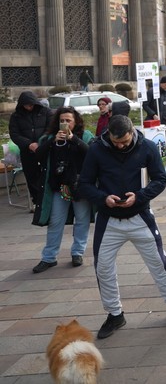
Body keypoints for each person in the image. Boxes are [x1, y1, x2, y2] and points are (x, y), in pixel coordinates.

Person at [77, 115, 166, 339]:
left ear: (132, 133)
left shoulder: (147, 146)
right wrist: (102, 198)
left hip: (140, 215)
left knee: (158, 261)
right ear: (109, 135)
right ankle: (115, 314)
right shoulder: (96, 150)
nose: (121, 146)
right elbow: (84, 183)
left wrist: (140, 196)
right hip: (108, 219)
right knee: (103, 267)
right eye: (116, 143)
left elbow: (160, 179)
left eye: (125, 142)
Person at [32, 108, 94, 273]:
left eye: (69, 121)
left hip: (80, 186)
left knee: (82, 220)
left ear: (76, 122)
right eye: (62, 120)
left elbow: (91, 153)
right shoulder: (50, 138)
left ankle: (77, 252)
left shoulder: (84, 135)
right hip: (59, 187)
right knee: (55, 221)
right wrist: (52, 142)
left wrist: (74, 140)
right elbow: (38, 155)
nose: (65, 124)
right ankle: (49, 257)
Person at [9, 91, 52, 208]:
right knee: (32, 177)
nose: (30, 107)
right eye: (27, 105)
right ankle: (38, 201)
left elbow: (50, 128)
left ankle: (49, 199)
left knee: (48, 174)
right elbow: (14, 134)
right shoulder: (16, 116)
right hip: (27, 152)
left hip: (44, 149)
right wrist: (29, 144)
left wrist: (40, 142)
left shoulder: (45, 112)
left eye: (31, 104)